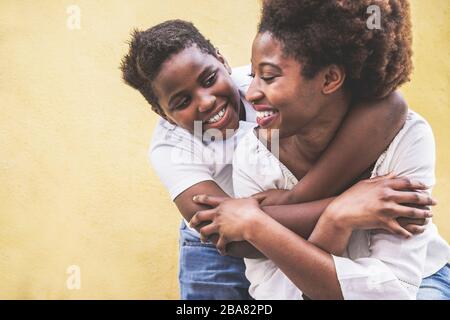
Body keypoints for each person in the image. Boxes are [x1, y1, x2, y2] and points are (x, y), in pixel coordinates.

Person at [120, 19, 429, 300]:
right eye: (182, 101)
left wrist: (295, 198)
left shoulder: (267, 85)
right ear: (163, 115)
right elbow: (230, 237)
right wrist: (342, 205)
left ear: (222, 60)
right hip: (218, 250)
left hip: (273, 220)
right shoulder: (170, 148)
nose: (206, 100)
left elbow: (389, 106)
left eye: (209, 78)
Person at [191, 0, 450, 299]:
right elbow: (278, 293)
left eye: (270, 77)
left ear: (329, 79)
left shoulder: (406, 137)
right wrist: (336, 218)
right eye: (252, 76)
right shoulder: (254, 156)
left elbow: (392, 292)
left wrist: (256, 224)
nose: (250, 94)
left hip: (425, 281)